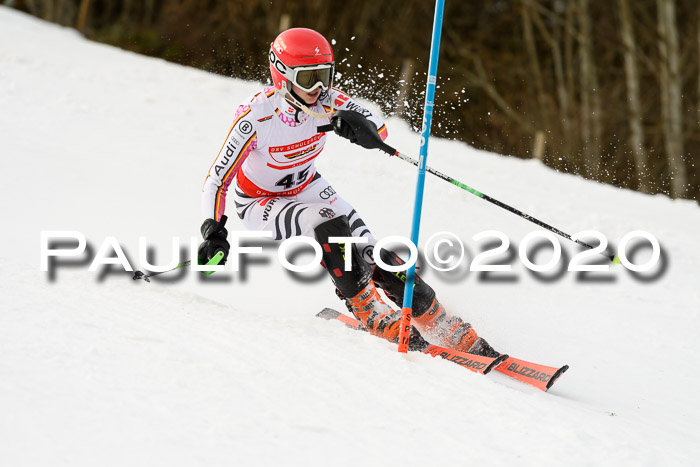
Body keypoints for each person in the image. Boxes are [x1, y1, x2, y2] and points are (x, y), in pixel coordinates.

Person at [198, 27, 499, 357]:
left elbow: (379, 129)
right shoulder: (256, 118)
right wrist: (214, 230)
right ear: (282, 76)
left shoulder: (328, 100)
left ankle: (437, 320)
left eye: (324, 76)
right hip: (260, 202)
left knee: (374, 253)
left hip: (308, 186)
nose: (317, 88)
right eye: (307, 77)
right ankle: (369, 310)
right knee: (330, 224)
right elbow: (217, 179)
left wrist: (355, 124)